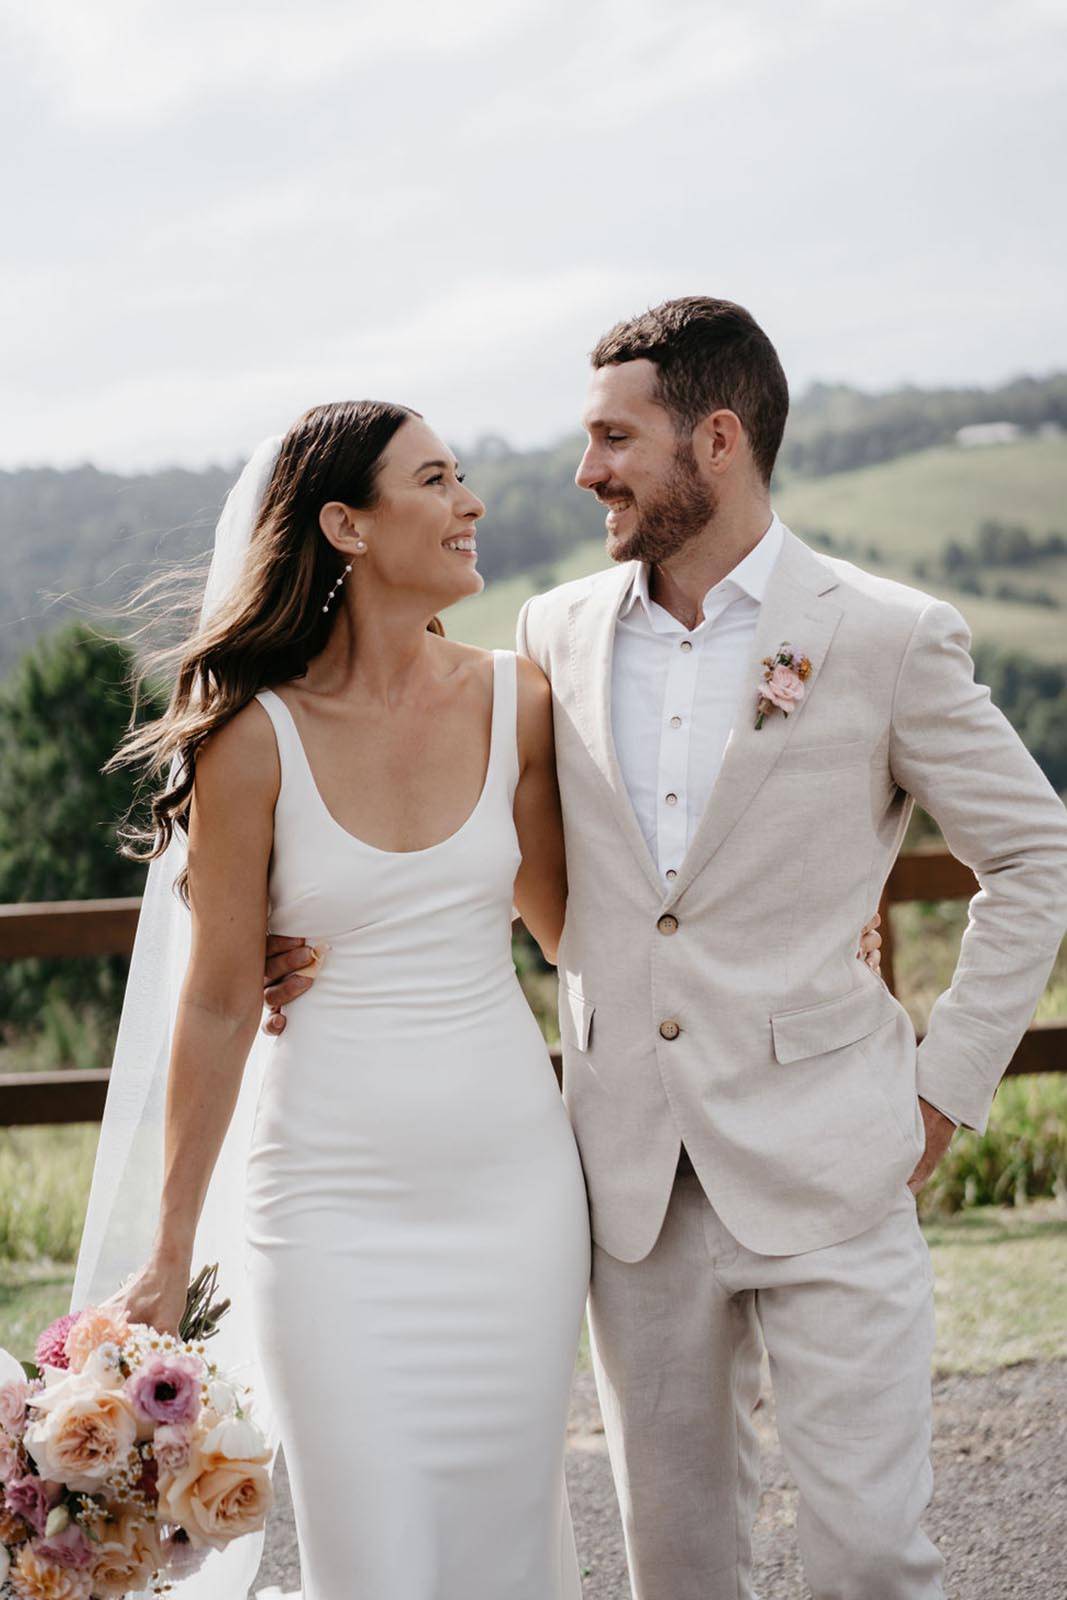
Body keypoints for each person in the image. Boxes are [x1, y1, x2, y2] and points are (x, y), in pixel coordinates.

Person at [269, 299, 1067, 1600]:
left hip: (832, 1155)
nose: (584, 471)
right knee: (676, 1569)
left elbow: (1034, 855)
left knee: (872, 1554)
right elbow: (465, 833)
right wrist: (303, 938)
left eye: (610, 439)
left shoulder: (884, 636)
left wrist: (945, 1086)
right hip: (626, 1181)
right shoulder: (550, 636)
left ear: (714, 438)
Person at [91, 400, 593, 1600]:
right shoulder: (251, 742)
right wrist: (167, 1249)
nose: (471, 502)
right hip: (324, 1205)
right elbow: (214, 1007)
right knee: (372, 1561)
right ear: (346, 526)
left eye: (464, 476)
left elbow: (581, 935)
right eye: (436, 478)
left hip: (513, 1198)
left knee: (498, 1545)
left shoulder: (518, 700)